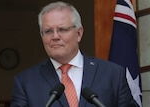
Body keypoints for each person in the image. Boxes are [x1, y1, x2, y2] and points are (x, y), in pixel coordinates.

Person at [10, 1, 139, 107]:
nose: (55, 36)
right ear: (41, 36)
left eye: (62, 29)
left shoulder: (113, 74)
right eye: (48, 31)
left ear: (79, 33)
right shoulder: (25, 82)